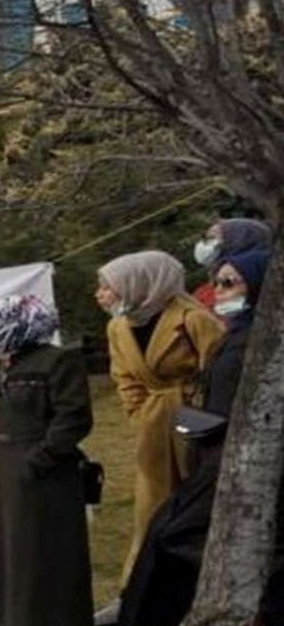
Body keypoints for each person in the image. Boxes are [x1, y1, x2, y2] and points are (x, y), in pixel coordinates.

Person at [117, 250, 282, 626]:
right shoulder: (237, 334)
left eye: (230, 282)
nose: (219, 290)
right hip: (201, 443)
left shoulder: (254, 342)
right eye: (217, 281)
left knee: (176, 539)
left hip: (235, 459)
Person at [94, 251, 224, 623]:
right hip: (154, 427)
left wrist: (202, 413)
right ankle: (138, 591)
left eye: (107, 287)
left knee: (201, 505)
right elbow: (125, 378)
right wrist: (140, 415)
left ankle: (207, 587)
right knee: (152, 510)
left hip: (198, 421)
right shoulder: (119, 327)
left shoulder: (193, 318)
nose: (100, 295)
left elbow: (217, 369)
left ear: (139, 284)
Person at [0, 294, 94, 626]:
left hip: (40, 480)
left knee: (35, 556)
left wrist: (37, 461)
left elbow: (73, 418)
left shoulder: (58, 361)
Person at [191, 218, 272, 309]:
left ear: (237, 239)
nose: (203, 244)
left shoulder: (245, 273)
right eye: (206, 238)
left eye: (212, 238)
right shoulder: (205, 290)